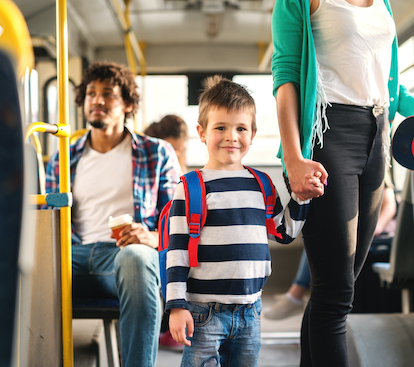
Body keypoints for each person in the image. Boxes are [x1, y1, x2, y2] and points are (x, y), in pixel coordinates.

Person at [271, 0, 414, 365]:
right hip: (329, 133)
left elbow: (384, 83)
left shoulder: (381, 3)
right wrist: (293, 159)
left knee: (336, 288)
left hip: (378, 138)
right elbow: (286, 74)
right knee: (336, 293)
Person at [165, 75, 313, 366]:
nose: (232, 136)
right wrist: (176, 307)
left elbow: (283, 233)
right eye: (221, 127)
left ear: (253, 133)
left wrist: (302, 197)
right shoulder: (191, 187)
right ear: (202, 132)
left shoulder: (261, 184)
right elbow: (177, 252)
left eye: (241, 128)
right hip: (203, 312)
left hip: (250, 310)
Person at [45, 61, 182, 367]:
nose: (97, 100)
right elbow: (48, 220)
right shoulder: (62, 159)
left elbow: (177, 221)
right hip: (72, 255)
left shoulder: (156, 153)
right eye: (91, 94)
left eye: (108, 94)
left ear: (128, 104)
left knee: (137, 258)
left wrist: (151, 236)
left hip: (121, 255)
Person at [263, 183, 397, 320]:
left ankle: (296, 295)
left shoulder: (375, 168)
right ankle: (299, 295)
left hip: (372, 234)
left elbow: (390, 205)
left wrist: (375, 228)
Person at [144, 114, 189, 352]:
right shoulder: (153, 157)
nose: (178, 154)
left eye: (181, 149)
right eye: (175, 148)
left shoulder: (178, 163)